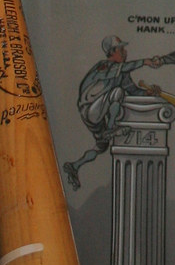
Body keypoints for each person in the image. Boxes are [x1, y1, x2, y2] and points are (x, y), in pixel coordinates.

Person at [62, 36, 154, 191]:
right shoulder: (104, 66)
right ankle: (110, 129)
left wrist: (149, 93)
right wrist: (145, 61)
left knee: (101, 146)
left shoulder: (121, 72)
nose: (125, 52)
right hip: (90, 109)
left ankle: (75, 166)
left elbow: (133, 91)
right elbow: (124, 71)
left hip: (98, 114)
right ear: (113, 51)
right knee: (117, 92)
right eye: (122, 49)